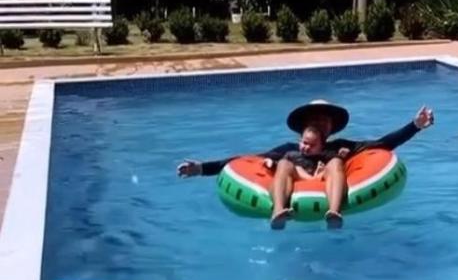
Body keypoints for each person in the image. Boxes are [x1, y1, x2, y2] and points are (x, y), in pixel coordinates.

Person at [177, 97, 435, 229]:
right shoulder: (289, 150)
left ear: (331, 127)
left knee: (335, 164)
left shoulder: (340, 147)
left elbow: (382, 144)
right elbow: (246, 160)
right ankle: (279, 211)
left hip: (329, 180)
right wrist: (202, 168)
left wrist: (415, 126)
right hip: (294, 181)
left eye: (325, 120)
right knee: (284, 164)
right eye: (315, 119)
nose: (321, 123)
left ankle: (334, 211)